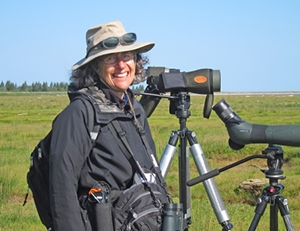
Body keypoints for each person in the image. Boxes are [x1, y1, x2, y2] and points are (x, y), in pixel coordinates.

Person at [49, 20, 160, 230]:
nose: (121, 65)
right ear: (94, 67)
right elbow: (61, 188)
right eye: (111, 58)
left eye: (127, 56)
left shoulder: (134, 110)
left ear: (136, 61)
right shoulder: (79, 113)